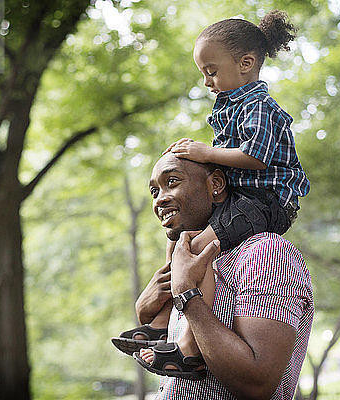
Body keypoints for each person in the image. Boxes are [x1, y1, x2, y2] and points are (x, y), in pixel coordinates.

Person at [112, 11, 310, 374]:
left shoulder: (260, 107)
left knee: (200, 246)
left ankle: (187, 346)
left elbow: (255, 156)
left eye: (211, 71)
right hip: (240, 198)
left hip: (266, 201)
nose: (206, 82)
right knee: (183, 240)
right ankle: (159, 327)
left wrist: (204, 153)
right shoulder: (230, 106)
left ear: (246, 64)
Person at [132, 153, 314, 399]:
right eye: (154, 191)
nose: (159, 200)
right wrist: (145, 308)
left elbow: (257, 385)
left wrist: (186, 292)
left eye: (172, 182)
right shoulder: (193, 259)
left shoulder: (265, 252)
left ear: (215, 184)